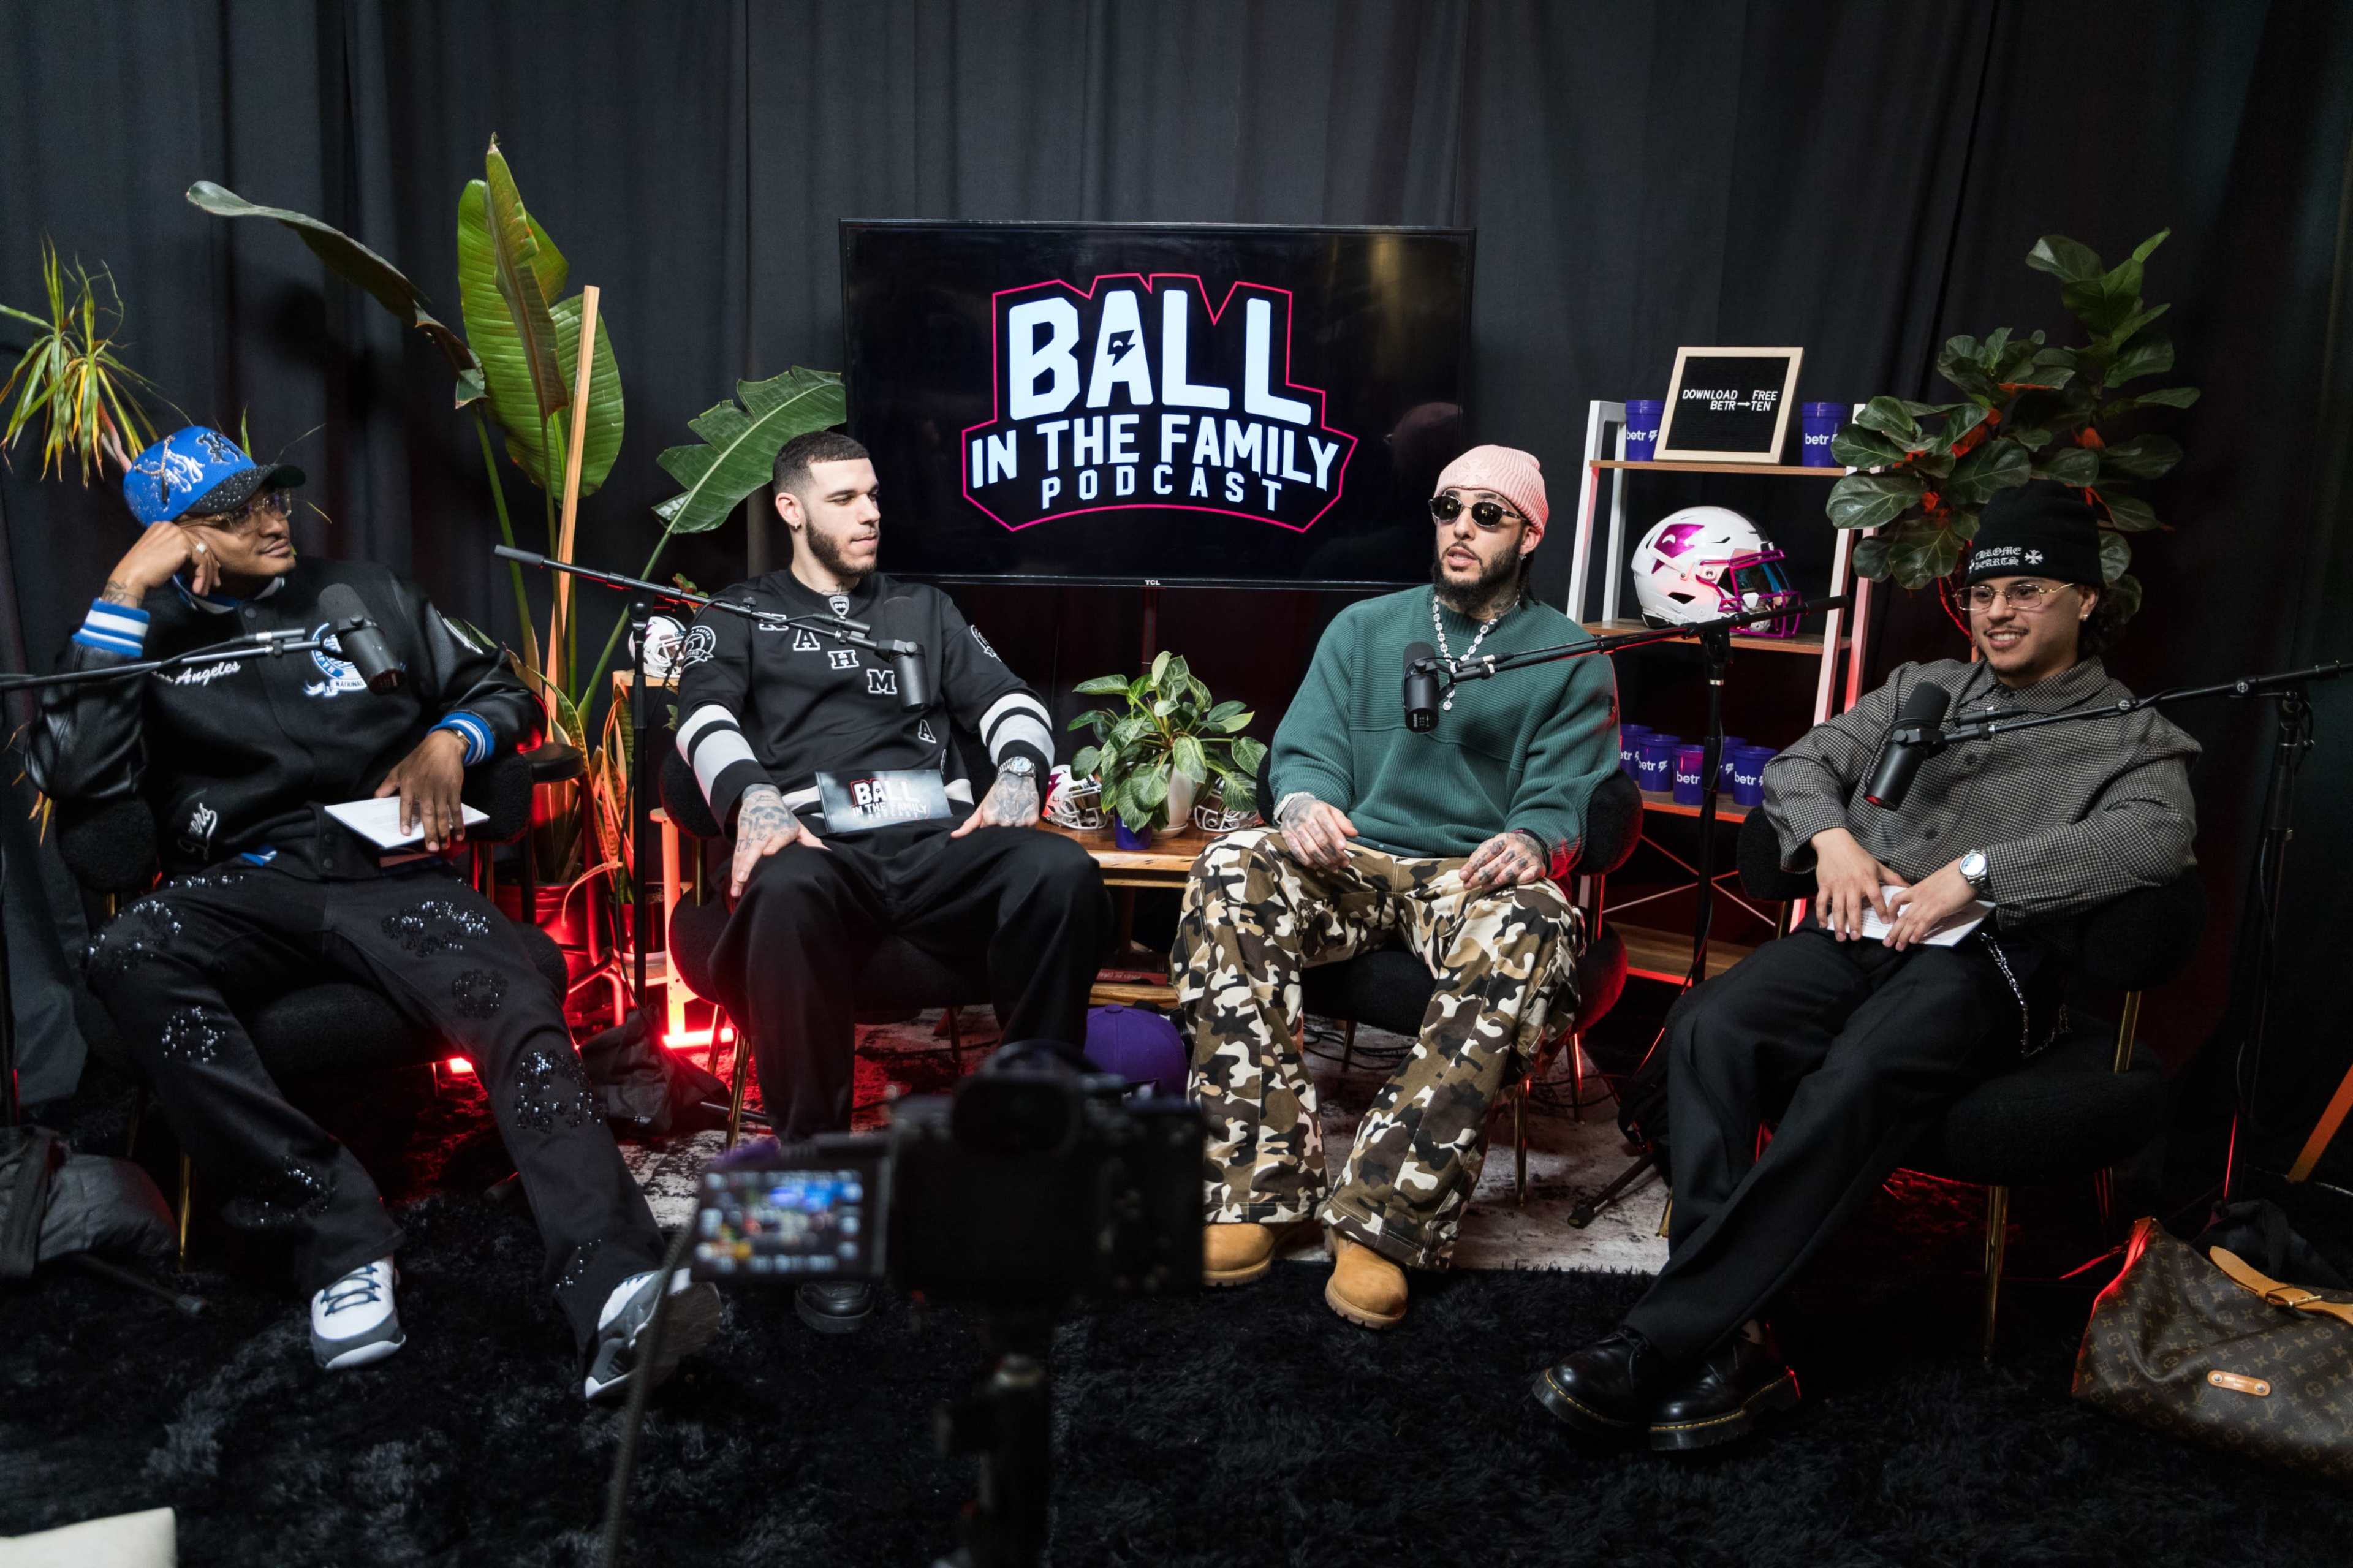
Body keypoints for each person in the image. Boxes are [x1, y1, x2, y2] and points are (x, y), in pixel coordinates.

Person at [29, 426, 718, 1400]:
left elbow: (500, 689)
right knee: (126, 951)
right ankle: (336, 1231)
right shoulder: (140, 631)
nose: (273, 520)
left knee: (515, 1003)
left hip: (391, 873)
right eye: (237, 512)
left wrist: (451, 740)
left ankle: (616, 1290)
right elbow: (72, 772)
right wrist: (123, 595)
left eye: (273, 497)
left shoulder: (362, 595)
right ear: (178, 539)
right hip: (243, 883)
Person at [1535, 481, 2199, 1451]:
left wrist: (1976, 875)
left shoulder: (2130, 732)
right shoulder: (1922, 689)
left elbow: (2153, 840)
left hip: (1987, 966)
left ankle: (1659, 1340)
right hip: (1855, 936)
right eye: (1984, 593)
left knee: (1860, 1071)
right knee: (1713, 1023)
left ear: (2086, 599)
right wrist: (1834, 842)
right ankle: (1742, 1339)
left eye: (2027, 591)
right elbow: (1798, 767)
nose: (1999, 612)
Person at [673, 428, 1107, 1335]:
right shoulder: (740, 613)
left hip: (937, 847)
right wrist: (755, 800)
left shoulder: (923, 609)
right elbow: (702, 717)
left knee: (1061, 870)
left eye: (873, 495)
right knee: (786, 887)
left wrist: (1019, 773)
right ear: (791, 510)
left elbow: (1010, 702)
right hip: (821, 855)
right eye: (844, 499)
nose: (869, 514)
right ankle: (815, 1193)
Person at [1175, 445, 1619, 1329]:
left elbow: (1568, 790)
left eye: (1487, 514)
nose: (1461, 528)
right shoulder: (1364, 629)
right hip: (1353, 857)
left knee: (1536, 923)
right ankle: (1255, 1187)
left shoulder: (1571, 657)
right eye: (1448, 507)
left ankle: (1384, 1218)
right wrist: (1302, 802)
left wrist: (1534, 841)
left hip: (1470, 873)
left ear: (1530, 535)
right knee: (1230, 867)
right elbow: (1306, 750)